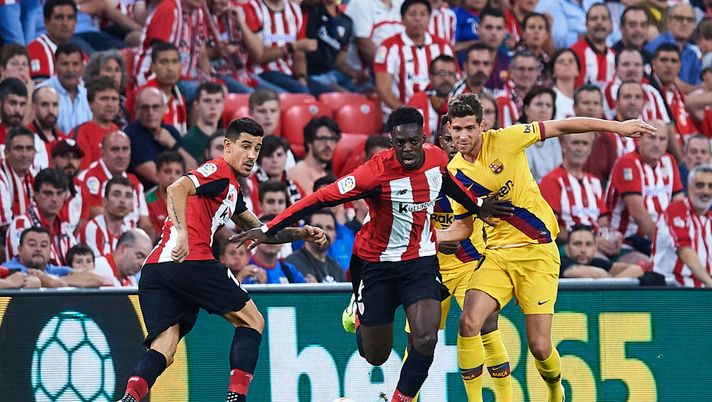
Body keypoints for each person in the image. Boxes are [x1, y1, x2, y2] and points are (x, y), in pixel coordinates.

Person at [232, 107, 510, 402]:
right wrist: (269, 227)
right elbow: (319, 197)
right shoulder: (374, 173)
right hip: (376, 265)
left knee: (427, 339)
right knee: (376, 356)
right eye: (399, 143)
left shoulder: (438, 159)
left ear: (423, 138)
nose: (406, 150)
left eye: (412, 142)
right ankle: (360, 313)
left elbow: (447, 182)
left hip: (420, 261)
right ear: (392, 142)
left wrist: (477, 206)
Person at [437, 93, 656, 402]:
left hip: (537, 252)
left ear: (482, 126)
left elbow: (564, 126)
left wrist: (617, 127)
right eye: (456, 129)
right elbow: (464, 226)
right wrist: (431, 240)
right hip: (498, 255)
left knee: (539, 347)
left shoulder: (508, 139)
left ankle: (556, 391)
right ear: (448, 127)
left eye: (469, 128)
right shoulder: (455, 174)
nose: (462, 136)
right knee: (469, 322)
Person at [117, 118, 327, 402]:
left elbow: (262, 233)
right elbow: (177, 188)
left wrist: (301, 233)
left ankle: (130, 397)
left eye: (257, 148)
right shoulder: (217, 170)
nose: (252, 155)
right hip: (191, 260)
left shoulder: (232, 191)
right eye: (245, 146)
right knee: (252, 322)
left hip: (156, 270)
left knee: (164, 349)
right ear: (227, 146)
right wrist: (182, 235)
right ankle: (236, 398)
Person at [606, 119, 684, 256]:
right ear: (639, 139)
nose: (657, 144)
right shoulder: (627, 163)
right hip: (627, 240)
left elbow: (679, 203)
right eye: (652, 137)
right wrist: (666, 245)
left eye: (662, 139)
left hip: (660, 238)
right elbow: (638, 213)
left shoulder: (669, 161)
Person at [375, 0, 453, 113]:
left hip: (438, 117)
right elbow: (384, 89)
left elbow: (453, 83)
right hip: (399, 118)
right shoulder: (388, 47)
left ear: (429, 18)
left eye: (423, 14)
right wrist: (407, 114)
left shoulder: (443, 46)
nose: (418, 18)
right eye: (412, 14)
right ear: (402, 19)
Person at [653, 165, 712, 288]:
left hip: (704, 293)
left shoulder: (710, 218)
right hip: (673, 292)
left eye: (710, 186)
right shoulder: (675, 211)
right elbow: (685, 251)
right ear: (689, 188)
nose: (706, 191)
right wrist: (710, 283)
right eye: (700, 185)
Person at [125, 86, 197, 187]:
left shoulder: (171, 131)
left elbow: (193, 169)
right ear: (136, 109)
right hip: (147, 195)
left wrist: (172, 144)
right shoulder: (131, 134)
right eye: (145, 107)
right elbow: (155, 176)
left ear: (164, 109)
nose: (150, 112)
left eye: (155, 107)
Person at [5, 168, 75, 265]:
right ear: (36, 194)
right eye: (48, 193)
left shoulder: (65, 227)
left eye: (59, 193)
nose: (55, 199)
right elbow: (23, 266)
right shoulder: (21, 224)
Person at [1, 226, 103, 288]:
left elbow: (96, 279)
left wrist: (52, 280)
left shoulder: (52, 270)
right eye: (32, 244)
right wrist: (58, 281)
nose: (38, 249)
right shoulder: (8, 268)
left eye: (44, 245)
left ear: (50, 251)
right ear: (19, 249)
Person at [128, 41, 188, 134]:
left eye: (175, 62)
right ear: (153, 67)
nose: (170, 68)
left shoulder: (180, 98)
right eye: (164, 62)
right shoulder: (140, 96)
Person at [37, 44, 92, 134]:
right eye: (65, 64)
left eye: (75, 64)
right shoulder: (41, 93)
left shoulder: (87, 95)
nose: (70, 69)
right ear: (55, 66)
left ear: (83, 67)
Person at [644, 3, 702, 88]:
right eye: (679, 18)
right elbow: (673, 85)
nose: (685, 23)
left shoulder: (692, 54)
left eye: (690, 19)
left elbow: (700, 85)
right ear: (669, 22)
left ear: (694, 25)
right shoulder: (655, 47)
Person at [78, 176, 134, 258]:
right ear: (105, 201)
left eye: (128, 196)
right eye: (116, 195)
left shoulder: (129, 230)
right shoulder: (93, 228)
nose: (123, 201)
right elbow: (99, 267)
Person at [285, 209, 346, 283]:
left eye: (329, 228)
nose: (324, 232)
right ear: (306, 231)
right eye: (318, 227)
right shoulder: (293, 263)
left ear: (335, 234)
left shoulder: (337, 268)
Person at [72, 76, 120, 169]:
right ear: (90, 103)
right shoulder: (82, 133)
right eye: (104, 99)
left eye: (114, 99)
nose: (110, 104)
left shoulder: (117, 131)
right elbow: (83, 173)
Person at [561, 224, 643, 279]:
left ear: (595, 248)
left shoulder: (597, 263)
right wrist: (611, 280)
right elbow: (592, 273)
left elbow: (636, 269)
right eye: (577, 244)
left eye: (588, 244)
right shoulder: (561, 263)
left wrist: (610, 285)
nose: (583, 250)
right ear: (567, 249)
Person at [247, 214, 310, 284]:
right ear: (254, 237)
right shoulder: (242, 268)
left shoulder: (289, 270)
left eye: (276, 234)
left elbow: (307, 293)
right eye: (266, 234)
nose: (271, 239)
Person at [407, 54, 458, 137]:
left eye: (451, 74)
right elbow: (419, 138)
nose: (446, 78)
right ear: (430, 76)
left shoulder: (460, 99)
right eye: (442, 73)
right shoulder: (419, 99)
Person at [288, 116, 340, 195]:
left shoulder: (329, 177)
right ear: (309, 142)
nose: (328, 144)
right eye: (322, 139)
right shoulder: (296, 173)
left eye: (332, 139)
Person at [27, 0, 78, 80]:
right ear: (46, 22)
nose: (65, 23)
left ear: (76, 22)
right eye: (59, 18)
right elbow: (40, 89)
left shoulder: (81, 54)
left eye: (70, 17)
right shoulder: (34, 50)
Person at [520, 86, 561, 183]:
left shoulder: (553, 138)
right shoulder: (516, 133)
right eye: (539, 104)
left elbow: (559, 171)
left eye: (548, 105)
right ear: (526, 109)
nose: (544, 109)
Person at [570, 3, 615, 88]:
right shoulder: (574, 53)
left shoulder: (615, 55)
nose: (599, 22)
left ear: (611, 24)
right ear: (586, 25)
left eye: (604, 18)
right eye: (594, 19)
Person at [183, 82, 225, 164]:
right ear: (196, 105)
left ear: (223, 105)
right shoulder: (188, 140)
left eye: (217, 101)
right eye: (207, 101)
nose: (213, 106)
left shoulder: (227, 138)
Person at [496, 50, 540, 127]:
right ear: (511, 71)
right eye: (521, 69)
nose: (526, 74)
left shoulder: (545, 96)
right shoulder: (501, 99)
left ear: (537, 72)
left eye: (531, 69)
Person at [146, 151, 186, 235]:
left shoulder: (190, 201)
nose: (173, 176)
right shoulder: (147, 201)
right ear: (157, 174)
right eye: (167, 171)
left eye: (178, 172)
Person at [549, 48, 580, 119]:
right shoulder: (549, 98)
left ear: (578, 71)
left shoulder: (584, 99)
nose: (566, 64)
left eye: (571, 61)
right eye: (561, 61)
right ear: (553, 72)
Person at [0, 77, 28, 142]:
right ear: (1, 104)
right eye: (12, 103)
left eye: (22, 104)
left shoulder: (35, 138)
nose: (17, 110)